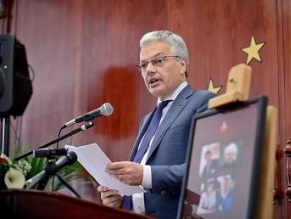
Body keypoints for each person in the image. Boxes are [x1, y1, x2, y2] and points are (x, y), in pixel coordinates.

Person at [97, 30, 215, 219]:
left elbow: (207, 170)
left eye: (158, 61)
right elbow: (143, 190)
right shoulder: (148, 119)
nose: (149, 70)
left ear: (182, 64)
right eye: (143, 65)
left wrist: (145, 174)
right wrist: (122, 200)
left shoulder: (203, 101)